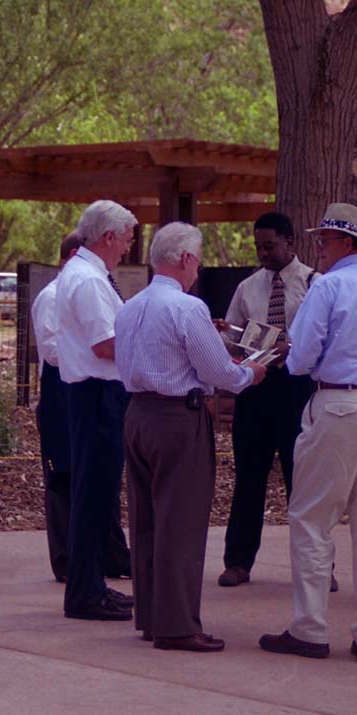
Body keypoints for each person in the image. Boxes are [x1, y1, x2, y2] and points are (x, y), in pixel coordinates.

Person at [259, 203, 357, 665]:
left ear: (346, 243)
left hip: (340, 403)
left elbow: (300, 359)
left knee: (312, 518)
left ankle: (310, 629)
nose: (319, 249)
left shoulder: (328, 286)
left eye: (325, 241)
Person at [115, 222, 267, 653]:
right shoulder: (187, 308)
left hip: (138, 413)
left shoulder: (130, 307)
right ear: (185, 259)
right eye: (197, 261)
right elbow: (219, 372)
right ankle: (178, 625)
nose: (198, 270)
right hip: (178, 418)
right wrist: (250, 373)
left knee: (146, 520)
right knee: (180, 522)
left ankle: (152, 616)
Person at [218, 212, 319, 589]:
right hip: (256, 388)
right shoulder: (247, 288)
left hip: (298, 389)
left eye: (270, 246)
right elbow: (231, 339)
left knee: (303, 480)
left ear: (290, 242)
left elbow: (326, 336)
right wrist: (230, 340)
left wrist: (293, 346)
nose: (263, 253)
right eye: (258, 247)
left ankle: (316, 566)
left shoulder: (314, 284)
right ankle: (238, 561)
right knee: (249, 476)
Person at [31, 233, 131, 585]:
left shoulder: (94, 287)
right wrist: (92, 346)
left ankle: (111, 555)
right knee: (64, 476)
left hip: (93, 392)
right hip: (62, 394)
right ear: (75, 254)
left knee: (99, 475)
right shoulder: (51, 297)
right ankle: (66, 558)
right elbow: (53, 350)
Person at [55, 200, 137, 622]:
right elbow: (105, 345)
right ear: (108, 236)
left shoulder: (88, 274)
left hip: (96, 394)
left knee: (99, 496)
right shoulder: (87, 280)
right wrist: (154, 347)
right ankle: (85, 594)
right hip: (98, 394)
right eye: (126, 239)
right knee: (94, 495)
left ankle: (92, 586)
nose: (127, 247)